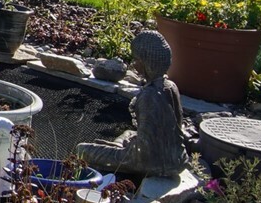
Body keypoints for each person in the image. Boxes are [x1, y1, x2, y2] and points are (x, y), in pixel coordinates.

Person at [76, 29, 186, 178]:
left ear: (147, 62)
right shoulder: (171, 86)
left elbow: (142, 153)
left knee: (81, 149)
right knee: (128, 133)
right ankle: (119, 148)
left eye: (136, 60)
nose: (133, 65)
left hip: (150, 163)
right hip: (177, 161)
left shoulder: (148, 96)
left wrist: (127, 149)